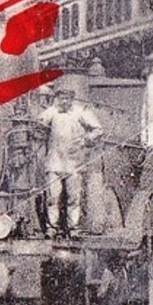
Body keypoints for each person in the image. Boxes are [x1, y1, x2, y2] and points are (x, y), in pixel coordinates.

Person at [38, 82, 105, 233]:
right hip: (54, 162)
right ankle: (52, 227)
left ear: (72, 99)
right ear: (57, 99)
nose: (64, 101)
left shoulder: (81, 112)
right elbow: (40, 121)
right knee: (53, 197)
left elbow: (98, 129)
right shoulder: (53, 112)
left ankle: (73, 227)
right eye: (61, 98)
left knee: (73, 198)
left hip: (74, 163)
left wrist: (86, 139)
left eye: (67, 98)